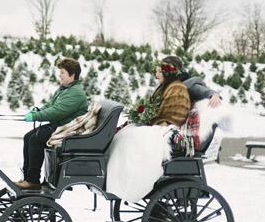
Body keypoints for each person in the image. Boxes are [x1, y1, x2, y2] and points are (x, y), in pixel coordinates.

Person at [105, 60, 191, 202]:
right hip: (157, 124)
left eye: (159, 71)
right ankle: (119, 178)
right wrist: (142, 116)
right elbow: (154, 108)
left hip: (166, 127)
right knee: (125, 133)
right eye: (156, 71)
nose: (156, 74)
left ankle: (134, 182)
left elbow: (174, 114)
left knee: (137, 139)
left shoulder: (177, 88)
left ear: (168, 72)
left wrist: (151, 120)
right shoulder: (164, 86)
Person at [14, 57, 89, 190]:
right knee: (28, 137)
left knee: (36, 139)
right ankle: (27, 178)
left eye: (62, 72)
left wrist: (36, 117)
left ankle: (33, 181)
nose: (59, 75)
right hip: (60, 126)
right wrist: (37, 111)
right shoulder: (64, 89)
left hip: (68, 129)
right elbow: (50, 105)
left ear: (72, 75)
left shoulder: (75, 93)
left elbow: (57, 112)